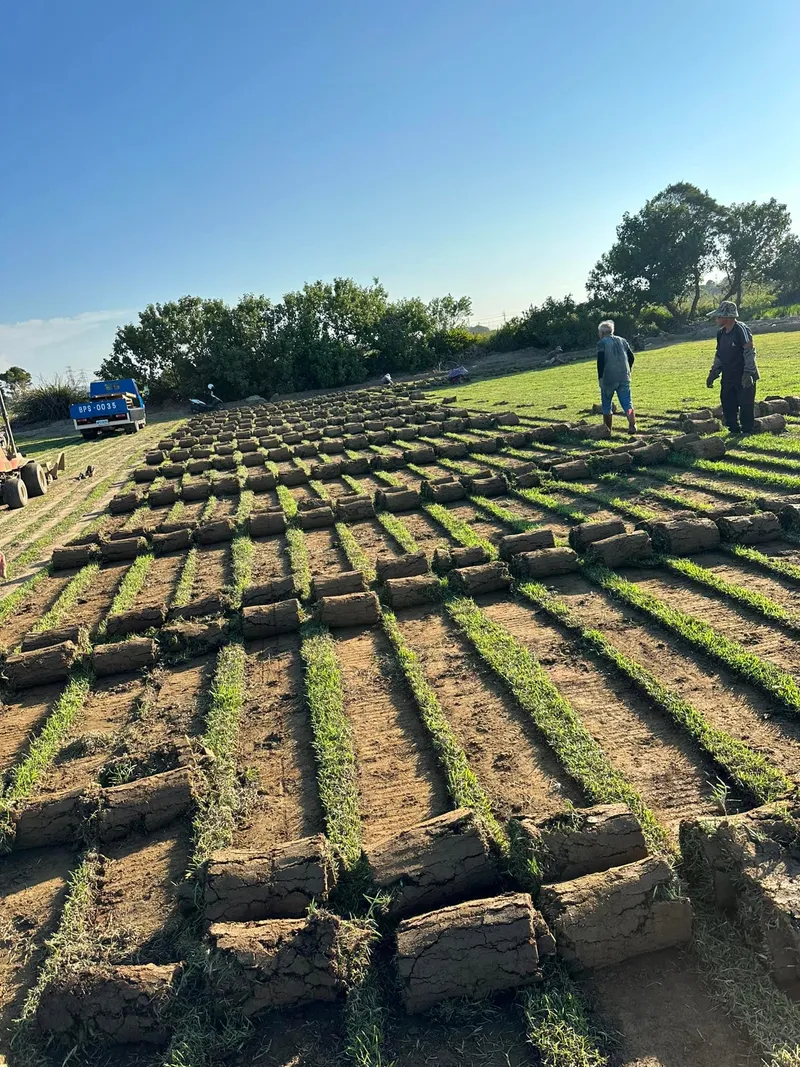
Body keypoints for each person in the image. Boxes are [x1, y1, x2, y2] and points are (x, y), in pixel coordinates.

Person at [705, 301, 759, 433]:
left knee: (745, 403)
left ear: (727, 317)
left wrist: (748, 373)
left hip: (743, 374)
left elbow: (749, 352)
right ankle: (733, 429)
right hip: (728, 375)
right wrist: (713, 373)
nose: (716, 319)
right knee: (727, 402)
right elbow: (719, 355)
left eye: (718, 316)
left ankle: (747, 430)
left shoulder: (741, 329)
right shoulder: (720, 333)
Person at [596, 320, 637, 434]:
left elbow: (601, 361)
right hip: (624, 377)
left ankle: (607, 429)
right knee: (627, 403)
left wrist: (600, 378)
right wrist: (628, 370)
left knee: (606, 404)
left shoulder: (601, 343)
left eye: (599, 332)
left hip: (608, 378)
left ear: (602, 333)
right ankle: (632, 425)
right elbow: (631, 357)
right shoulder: (623, 340)